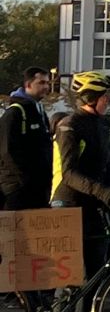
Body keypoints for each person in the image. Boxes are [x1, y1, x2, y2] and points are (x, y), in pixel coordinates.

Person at [52, 71, 110, 312]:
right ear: (93, 98)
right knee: (70, 275)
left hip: (94, 203)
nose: (109, 101)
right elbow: (69, 173)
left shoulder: (101, 125)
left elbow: (103, 165)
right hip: (68, 201)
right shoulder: (70, 125)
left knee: (95, 273)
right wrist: (103, 192)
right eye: (106, 97)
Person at [0, 67, 53, 210]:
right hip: (18, 189)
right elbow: (7, 151)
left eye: (47, 83)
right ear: (28, 85)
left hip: (38, 188)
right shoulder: (14, 113)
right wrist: (26, 181)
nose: (46, 87)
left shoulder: (39, 111)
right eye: (41, 83)